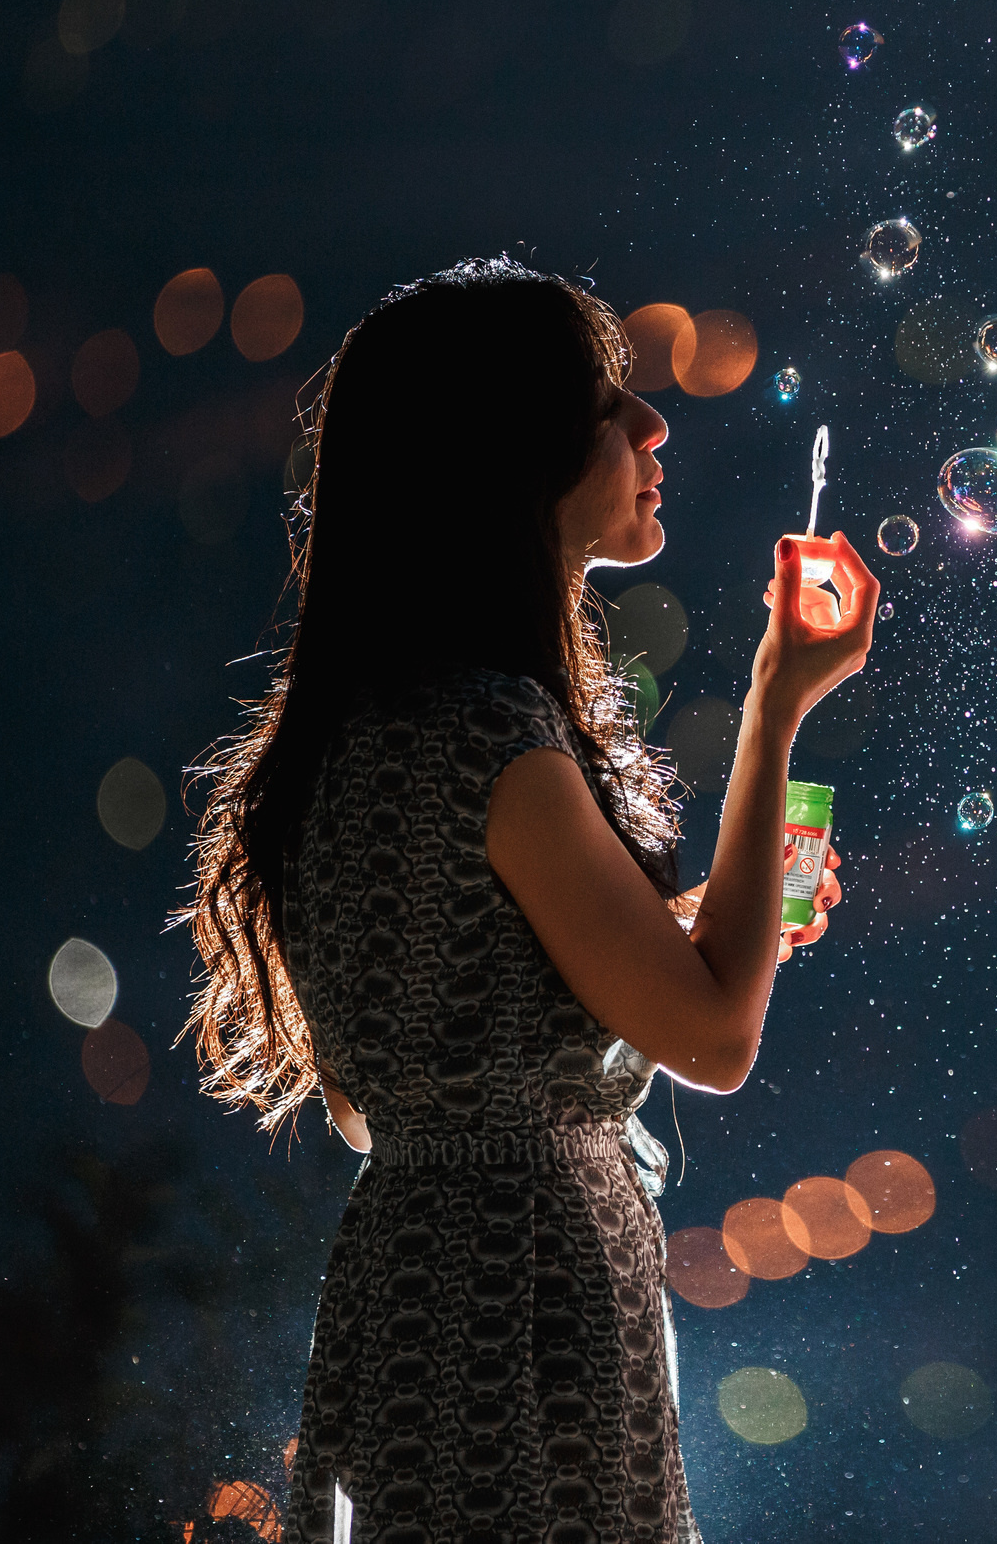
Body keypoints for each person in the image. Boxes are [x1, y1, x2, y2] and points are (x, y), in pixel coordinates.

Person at [182, 258, 877, 1544]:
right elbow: (715, 1039)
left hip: (411, 1297)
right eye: (605, 401)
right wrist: (780, 699)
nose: (651, 427)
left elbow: (430, 1040)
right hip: (528, 1315)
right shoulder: (497, 734)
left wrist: (669, 927)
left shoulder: (364, 730)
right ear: (505, 452)